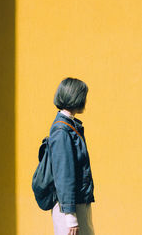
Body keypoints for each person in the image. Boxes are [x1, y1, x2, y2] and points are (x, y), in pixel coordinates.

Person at [49, 77, 95, 235]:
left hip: (77, 204)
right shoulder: (62, 131)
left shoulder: (69, 126)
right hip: (70, 208)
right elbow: (64, 175)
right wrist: (70, 216)